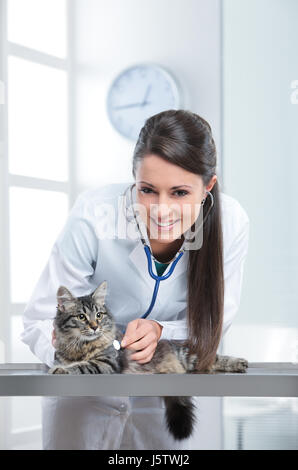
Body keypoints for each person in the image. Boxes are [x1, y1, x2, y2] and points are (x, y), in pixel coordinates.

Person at [21, 109, 250, 450]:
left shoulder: (230, 223)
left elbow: (214, 324)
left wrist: (162, 331)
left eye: (180, 193)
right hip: (83, 395)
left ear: (208, 187)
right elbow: (37, 319)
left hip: (159, 396)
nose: (160, 210)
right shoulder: (93, 213)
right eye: (147, 190)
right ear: (133, 180)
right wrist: (63, 345)